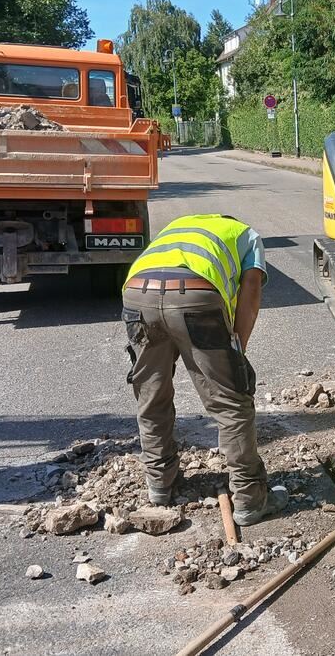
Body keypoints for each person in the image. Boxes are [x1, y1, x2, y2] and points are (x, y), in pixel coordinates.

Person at [121, 214, 287, 526]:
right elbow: (251, 288)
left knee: (151, 394)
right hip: (194, 293)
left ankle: (160, 484)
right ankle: (251, 499)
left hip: (137, 292)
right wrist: (237, 351)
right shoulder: (246, 234)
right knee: (231, 401)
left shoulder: (179, 227)